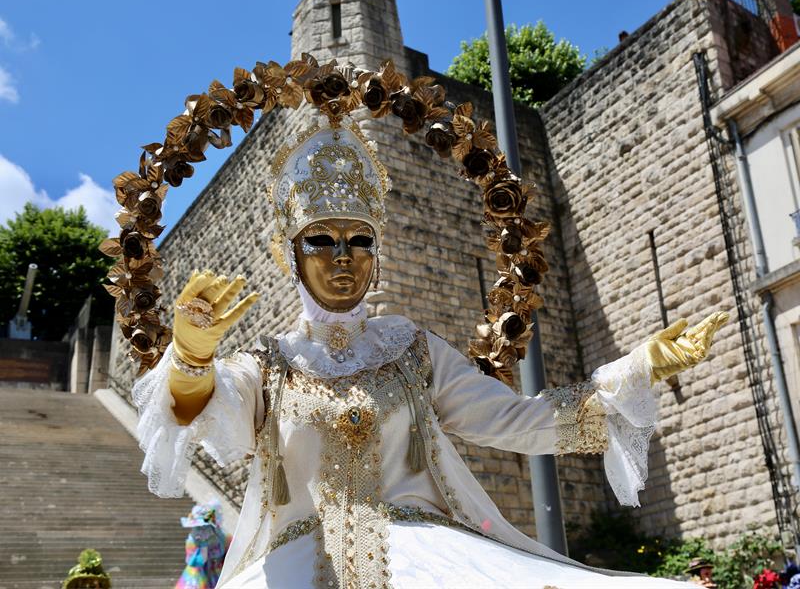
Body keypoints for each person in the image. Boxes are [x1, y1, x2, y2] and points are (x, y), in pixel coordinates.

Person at [133, 118, 727, 588]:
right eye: (321, 239)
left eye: (360, 240)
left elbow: (516, 421)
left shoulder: (412, 351)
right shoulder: (267, 365)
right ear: (290, 254)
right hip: (297, 567)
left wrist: (634, 373)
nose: (343, 256)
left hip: (427, 562)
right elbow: (208, 412)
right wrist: (191, 355)